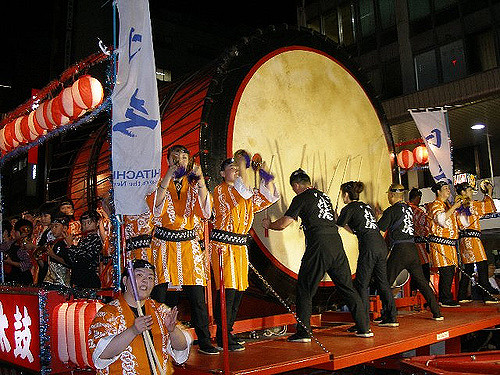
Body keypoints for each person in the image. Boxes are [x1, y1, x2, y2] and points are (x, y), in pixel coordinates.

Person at [262, 169, 372, 339]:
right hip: (336, 244)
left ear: (297, 185)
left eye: (293, 188)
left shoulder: (301, 197)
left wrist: (269, 224)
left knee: (305, 288)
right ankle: (365, 328)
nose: (294, 191)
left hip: (318, 245)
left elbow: (284, 223)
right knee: (347, 288)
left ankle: (303, 332)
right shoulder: (324, 197)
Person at [146, 145, 216, 355]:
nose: (180, 160)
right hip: (165, 247)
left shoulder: (194, 185)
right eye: (175, 157)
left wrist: (200, 179)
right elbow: (155, 208)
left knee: (197, 297)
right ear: (167, 160)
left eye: (184, 157)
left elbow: (205, 212)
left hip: (188, 246)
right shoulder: (159, 183)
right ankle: (157, 340)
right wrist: (168, 174)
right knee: (161, 297)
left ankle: (204, 340)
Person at [210, 152, 280, 351]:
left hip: (240, 247)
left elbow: (268, 196)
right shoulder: (221, 190)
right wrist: (245, 168)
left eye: (237, 167)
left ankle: (228, 331)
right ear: (222, 173)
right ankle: (223, 335)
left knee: (240, 290)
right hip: (224, 246)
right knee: (228, 290)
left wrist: (265, 174)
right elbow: (247, 192)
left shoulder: (244, 193)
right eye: (231, 168)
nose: (236, 171)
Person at [88, 259, 192, 375]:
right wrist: (133, 331)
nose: (145, 281)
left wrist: (172, 331)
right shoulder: (108, 313)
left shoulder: (159, 310)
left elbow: (181, 347)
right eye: (139, 275)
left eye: (150, 278)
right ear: (125, 280)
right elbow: (101, 354)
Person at [377, 183, 443, 320]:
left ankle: (390, 317)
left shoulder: (392, 210)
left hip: (400, 250)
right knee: (422, 282)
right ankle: (437, 312)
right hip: (412, 249)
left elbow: (380, 228)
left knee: (385, 282)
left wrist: (379, 217)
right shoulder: (408, 209)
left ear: (391, 195)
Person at [336, 181, 398, 327]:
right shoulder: (365, 207)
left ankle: (362, 322)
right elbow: (357, 229)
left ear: (346, 195)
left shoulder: (349, 208)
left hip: (369, 247)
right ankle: (392, 317)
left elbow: (338, 225)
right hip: (380, 244)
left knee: (361, 284)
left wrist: (336, 217)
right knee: (382, 282)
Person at [455, 181, 499, 304]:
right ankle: (486, 295)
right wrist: (488, 192)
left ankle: (462, 295)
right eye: (469, 190)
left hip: (464, 239)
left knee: (468, 267)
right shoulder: (471, 205)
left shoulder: (457, 206)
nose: (471, 192)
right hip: (473, 238)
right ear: (463, 192)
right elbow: (487, 206)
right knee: (482, 264)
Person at [427, 181, 462, 307]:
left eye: (448, 188)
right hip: (441, 243)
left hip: (450, 243)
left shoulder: (446, 205)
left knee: (450, 270)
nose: (448, 190)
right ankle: (444, 298)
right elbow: (441, 220)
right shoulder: (436, 205)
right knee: (446, 270)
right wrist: (454, 208)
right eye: (445, 188)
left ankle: (447, 297)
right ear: (438, 191)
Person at [67, 210, 102, 288]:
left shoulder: (95, 239)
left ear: (97, 223)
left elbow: (84, 259)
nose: (86, 226)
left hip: (89, 279)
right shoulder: (83, 239)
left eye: (89, 223)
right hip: (79, 279)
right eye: (84, 223)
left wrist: (70, 246)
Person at [408, 188, 431, 283]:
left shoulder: (404, 208)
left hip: (406, 244)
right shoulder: (418, 211)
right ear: (417, 197)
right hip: (419, 244)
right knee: (424, 271)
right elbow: (428, 223)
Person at [43, 214, 72, 287]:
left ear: (65, 228)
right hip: (51, 280)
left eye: (56, 226)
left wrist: (53, 255)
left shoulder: (66, 243)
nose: (53, 229)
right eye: (52, 227)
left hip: (61, 282)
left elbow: (69, 263)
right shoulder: (52, 243)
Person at [4, 219, 34, 285]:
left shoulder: (28, 245)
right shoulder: (12, 242)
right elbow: (3, 247)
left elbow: (27, 264)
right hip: (12, 276)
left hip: (23, 278)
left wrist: (11, 262)